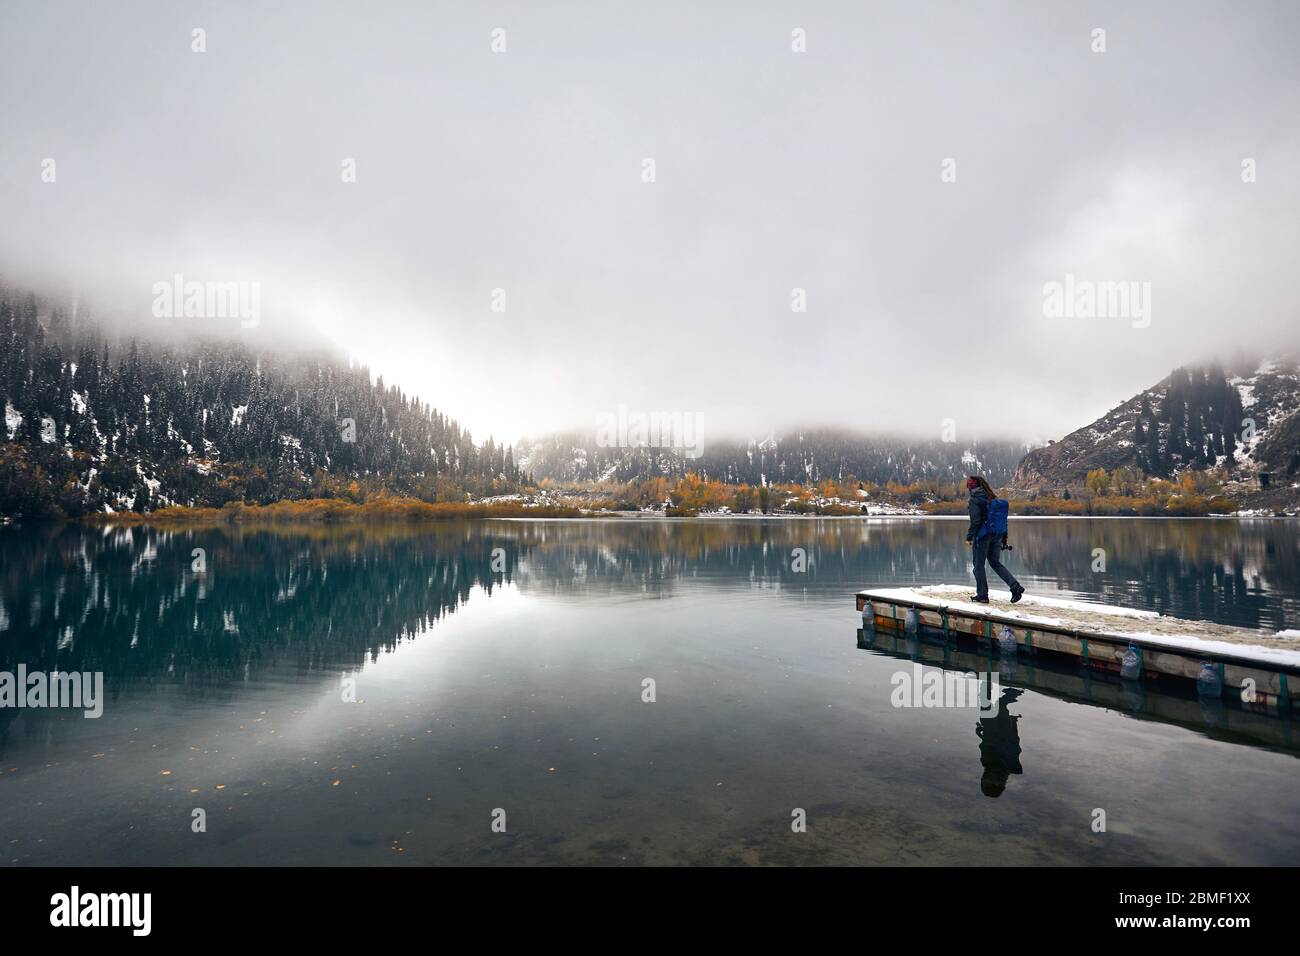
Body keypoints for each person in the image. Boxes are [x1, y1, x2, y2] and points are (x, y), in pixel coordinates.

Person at [965, 475, 1024, 604]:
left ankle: (982, 595)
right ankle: (1015, 587)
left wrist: (969, 537)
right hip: (997, 535)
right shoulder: (992, 498)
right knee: (995, 563)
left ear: (971, 487)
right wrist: (1004, 538)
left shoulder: (975, 500)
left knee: (978, 566)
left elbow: (975, 521)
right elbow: (1002, 520)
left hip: (982, 537)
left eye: (968, 485)